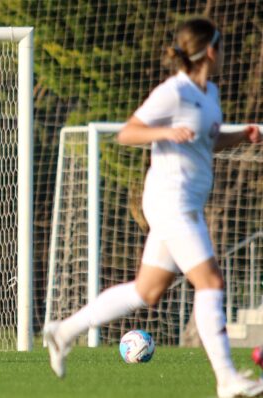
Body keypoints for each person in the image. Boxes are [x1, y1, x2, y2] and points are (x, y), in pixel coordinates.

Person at [44, 17, 263, 398]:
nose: (225, 54)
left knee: (147, 291)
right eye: (223, 48)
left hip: (185, 201)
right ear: (210, 51)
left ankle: (63, 331)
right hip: (170, 200)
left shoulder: (209, 93)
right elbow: (129, 132)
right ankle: (227, 380)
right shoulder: (173, 91)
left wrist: (241, 136)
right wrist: (163, 131)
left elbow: (206, 143)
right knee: (211, 283)